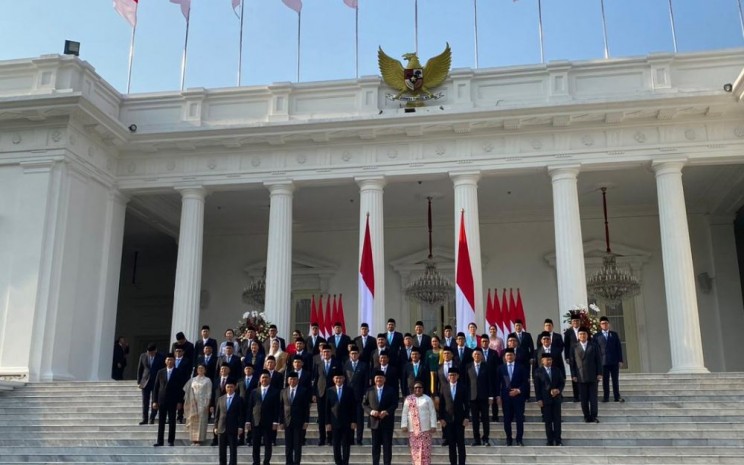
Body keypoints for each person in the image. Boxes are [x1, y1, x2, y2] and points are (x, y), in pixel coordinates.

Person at [363, 371, 398, 465]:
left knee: (387, 446)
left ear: (384, 379)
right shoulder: (369, 390)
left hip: (387, 422)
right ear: (374, 379)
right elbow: (364, 404)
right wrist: (371, 411)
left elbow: (395, 404)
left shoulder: (391, 390)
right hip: (374, 422)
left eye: (381, 378)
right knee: (375, 446)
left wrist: (387, 412)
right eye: (377, 378)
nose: (379, 379)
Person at [496, 348, 529, 446]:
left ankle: (519, 439)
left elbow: (525, 383)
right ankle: (509, 439)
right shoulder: (501, 368)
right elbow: (497, 383)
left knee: (519, 419)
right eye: (507, 355)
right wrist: (498, 396)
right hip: (506, 398)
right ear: (504, 357)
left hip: (518, 397)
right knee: (507, 419)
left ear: (514, 356)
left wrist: (518, 390)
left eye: (511, 355)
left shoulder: (521, 367)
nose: (509, 357)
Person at [570, 327, 603, 423]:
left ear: (587, 335)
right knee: (583, 399)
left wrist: (599, 373)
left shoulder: (593, 345)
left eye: (584, 334)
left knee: (593, 398)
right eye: (580, 334)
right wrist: (573, 375)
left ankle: (594, 416)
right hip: (580, 376)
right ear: (578, 336)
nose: (582, 336)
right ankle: (586, 416)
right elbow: (572, 363)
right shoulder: (574, 347)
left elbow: (598, 360)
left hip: (592, 375)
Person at [247, 371, 280, 465]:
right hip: (256, 421)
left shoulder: (275, 391)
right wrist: (248, 421)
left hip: (268, 422)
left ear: (270, 379)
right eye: (263, 377)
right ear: (260, 379)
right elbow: (250, 407)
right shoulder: (254, 391)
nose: (264, 379)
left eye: (266, 377)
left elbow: (277, 408)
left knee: (268, 444)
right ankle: (256, 462)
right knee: (255, 444)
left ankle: (266, 462)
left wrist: (275, 422)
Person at [401, 380, 438, 465]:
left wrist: (433, 425)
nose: (418, 389)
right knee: (415, 452)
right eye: (416, 388)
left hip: (426, 430)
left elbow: (432, 412)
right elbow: (404, 413)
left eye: (419, 387)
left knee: (425, 452)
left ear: (423, 389)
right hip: (413, 431)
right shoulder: (409, 399)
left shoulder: (427, 399)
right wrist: (404, 425)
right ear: (413, 389)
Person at [438, 367, 469, 465]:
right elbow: (441, 405)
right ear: (448, 376)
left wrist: (467, 417)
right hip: (448, 421)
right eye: (450, 375)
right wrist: (441, 418)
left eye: (454, 375)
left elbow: (467, 404)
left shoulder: (463, 387)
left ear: (458, 376)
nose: (452, 377)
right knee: (451, 444)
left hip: (460, 420)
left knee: (460, 444)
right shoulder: (444, 387)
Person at [533, 352, 565, 446]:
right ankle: (550, 440)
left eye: (550, 359)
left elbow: (561, 383)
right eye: (547, 360)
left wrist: (558, 390)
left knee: (557, 421)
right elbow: (537, 387)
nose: (549, 361)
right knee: (548, 421)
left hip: (556, 399)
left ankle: (558, 440)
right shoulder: (538, 371)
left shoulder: (556, 370)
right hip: (545, 400)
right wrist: (539, 399)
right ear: (542, 361)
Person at [152, 353, 183, 447]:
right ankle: (160, 441)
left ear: (174, 361)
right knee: (161, 421)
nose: (170, 361)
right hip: (162, 400)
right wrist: (154, 401)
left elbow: (180, 388)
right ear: (165, 361)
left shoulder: (178, 372)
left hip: (173, 400)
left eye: (171, 360)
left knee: (172, 421)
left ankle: (171, 440)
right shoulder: (160, 372)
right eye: (168, 360)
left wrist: (179, 401)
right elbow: (156, 387)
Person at [326, 370, 356, 465]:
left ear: (344, 378)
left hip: (346, 421)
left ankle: (345, 462)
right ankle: (338, 462)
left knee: (346, 444)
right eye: (336, 378)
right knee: (336, 444)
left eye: (340, 378)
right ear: (333, 379)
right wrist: (328, 423)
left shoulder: (349, 390)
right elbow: (327, 408)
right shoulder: (330, 390)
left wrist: (353, 421)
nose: (338, 380)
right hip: (334, 422)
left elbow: (353, 407)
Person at [280, 372, 310, 465]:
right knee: (288, 445)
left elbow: (306, 407)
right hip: (287, 421)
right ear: (288, 380)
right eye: (290, 379)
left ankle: (297, 462)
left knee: (297, 445)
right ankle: (288, 462)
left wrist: (306, 421)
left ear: (297, 380)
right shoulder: (283, 391)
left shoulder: (303, 390)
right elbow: (281, 407)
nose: (292, 381)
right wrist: (281, 421)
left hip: (299, 421)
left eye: (294, 379)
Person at [466, 348, 494, 446]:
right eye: (475, 354)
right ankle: (476, 439)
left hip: (484, 397)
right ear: (472, 356)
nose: (477, 356)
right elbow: (466, 383)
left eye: (479, 354)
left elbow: (490, 382)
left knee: (485, 419)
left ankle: (485, 438)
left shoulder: (486, 366)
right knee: (475, 420)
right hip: (473, 397)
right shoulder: (468, 367)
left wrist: (491, 396)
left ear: (481, 356)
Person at [312, 345, 339, 446]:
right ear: (322, 353)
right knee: (322, 417)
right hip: (321, 392)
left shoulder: (336, 363)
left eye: (328, 351)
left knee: (331, 416)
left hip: (333, 393)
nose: (326, 353)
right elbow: (315, 380)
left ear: (331, 352)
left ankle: (330, 438)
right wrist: (314, 393)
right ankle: (322, 438)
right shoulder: (318, 364)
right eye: (324, 352)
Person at [214, 380, 244, 465]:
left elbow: (241, 415)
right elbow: (217, 414)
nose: (229, 388)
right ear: (225, 388)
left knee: (233, 450)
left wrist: (240, 427)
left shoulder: (239, 399)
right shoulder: (221, 399)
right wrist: (216, 426)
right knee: (222, 450)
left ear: (234, 387)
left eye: (231, 387)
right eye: (228, 387)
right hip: (221, 427)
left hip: (233, 427)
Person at [596, 316, 625, 403]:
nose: (604, 325)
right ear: (600, 325)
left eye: (606, 323)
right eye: (602, 323)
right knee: (605, 380)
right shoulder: (597, 336)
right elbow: (596, 350)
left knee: (615, 379)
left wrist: (620, 360)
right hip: (603, 362)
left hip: (614, 361)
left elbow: (618, 348)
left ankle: (617, 396)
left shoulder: (614, 334)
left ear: (608, 324)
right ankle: (606, 397)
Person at [344, 346, 369, 445]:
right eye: (352, 354)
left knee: (359, 419)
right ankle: (350, 439)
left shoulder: (363, 365)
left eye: (355, 353)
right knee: (349, 418)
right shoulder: (346, 365)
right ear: (349, 355)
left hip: (359, 396)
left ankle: (359, 439)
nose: (354, 355)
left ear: (358, 355)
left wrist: (365, 394)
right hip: (348, 396)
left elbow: (366, 381)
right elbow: (344, 380)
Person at [184, 363, 213, 445]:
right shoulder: (192, 380)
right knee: (193, 421)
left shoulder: (208, 380)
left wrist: (207, 404)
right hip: (193, 402)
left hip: (202, 403)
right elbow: (188, 390)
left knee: (201, 421)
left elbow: (209, 393)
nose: (200, 370)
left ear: (205, 370)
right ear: (197, 370)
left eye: (202, 368)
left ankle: (199, 440)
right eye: (199, 368)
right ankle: (193, 440)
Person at [137, 343, 164, 425]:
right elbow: (140, 369)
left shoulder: (161, 356)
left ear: (155, 350)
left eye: (152, 352)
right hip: (145, 382)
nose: (150, 354)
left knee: (155, 401)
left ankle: (152, 418)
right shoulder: (143, 356)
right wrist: (139, 381)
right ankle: (144, 419)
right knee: (145, 401)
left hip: (156, 381)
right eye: (149, 352)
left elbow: (163, 370)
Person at [563, 312, 582, 402]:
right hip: (572, 356)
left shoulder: (584, 330)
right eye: (574, 321)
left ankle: (583, 395)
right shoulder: (568, 332)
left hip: (583, 356)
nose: (575, 322)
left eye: (577, 321)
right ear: (571, 322)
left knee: (582, 375)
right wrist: (566, 357)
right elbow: (566, 345)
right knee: (574, 376)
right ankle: (576, 396)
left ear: (579, 321)